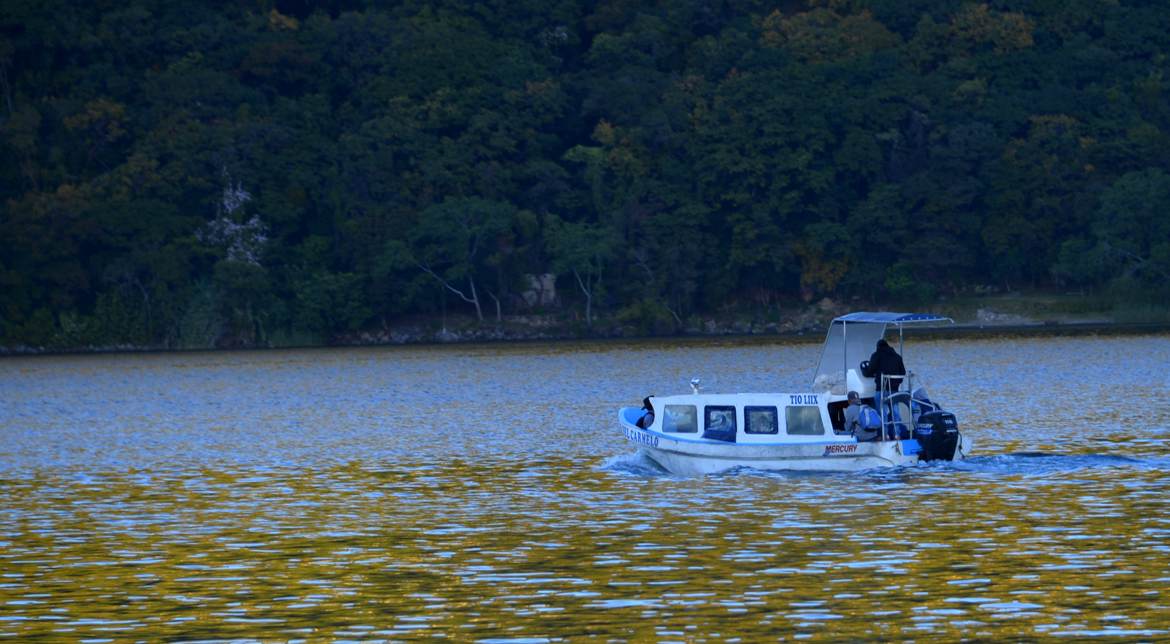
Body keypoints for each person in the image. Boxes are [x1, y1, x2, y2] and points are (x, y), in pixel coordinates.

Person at [861, 339, 905, 424]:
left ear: (878, 347)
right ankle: (898, 434)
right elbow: (903, 373)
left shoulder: (876, 355)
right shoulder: (897, 357)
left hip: (881, 389)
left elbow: (870, 371)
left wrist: (865, 371)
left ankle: (885, 434)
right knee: (895, 412)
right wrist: (897, 382)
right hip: (894, 390)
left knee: (882, 412)